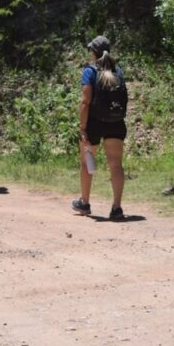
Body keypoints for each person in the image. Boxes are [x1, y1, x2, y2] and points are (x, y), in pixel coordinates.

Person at [72, 35, 128, 220]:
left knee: (87, 162)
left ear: (93, 53)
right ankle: (117, 208)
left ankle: (85, 203)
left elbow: (85, 101)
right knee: (115, 164)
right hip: (116, 122)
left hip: (94, 123)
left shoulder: (90, 71)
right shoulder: (118, 71)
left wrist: (82, 128)